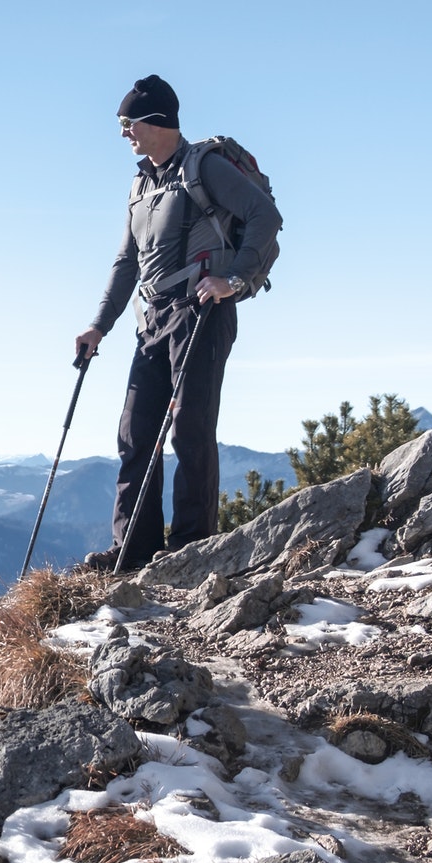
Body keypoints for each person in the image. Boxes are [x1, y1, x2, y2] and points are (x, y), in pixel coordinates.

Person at [74, 75, 281, 570]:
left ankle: (190, 551)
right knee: (135, 432)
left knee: (190, 430)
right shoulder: (141, 183)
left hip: (201, 314)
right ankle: (133, 551)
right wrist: (98, 326)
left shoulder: (204, 166)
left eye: (130, 123)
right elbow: (127, 263)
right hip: (153, 319)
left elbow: (264, 216)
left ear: (158, 121)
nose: (125, 133)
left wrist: (233, 278)